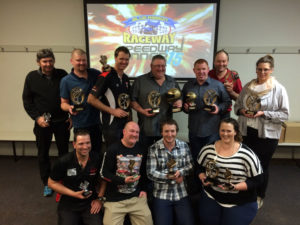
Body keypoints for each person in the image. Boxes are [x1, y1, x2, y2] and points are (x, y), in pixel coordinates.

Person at [234, 55, 289, 207]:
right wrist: (242, 111)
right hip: (246, 133)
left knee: (261, 166)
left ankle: (259, 195)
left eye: (266, 69)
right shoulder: (247, 87)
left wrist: (264, 113)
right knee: (246, 165)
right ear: (256, 70)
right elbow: (237, 106)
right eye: (259, 69)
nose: (262, 72)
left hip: (267, 136)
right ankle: (246, 193)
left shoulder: (278, 89)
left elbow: (285, 114)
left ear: (271, 70)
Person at [22, 49, 71, 197]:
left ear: (54, 61)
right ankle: (47, 183)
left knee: (64, 153)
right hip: (43, 123)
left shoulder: (62, 74)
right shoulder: (31, 77)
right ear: (38, 62)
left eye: (50, 60)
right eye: (44, 61)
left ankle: (63, 180)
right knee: (43, 154)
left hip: (62, 121)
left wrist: (71, 115)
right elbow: (27, 101)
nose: (48, 64)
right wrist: (37, 118)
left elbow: (71, 96)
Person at [197, 118, 263, 225]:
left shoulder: (247, 154)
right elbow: (199, 167)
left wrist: (235, 187)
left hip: (239, 200)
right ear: (218, 131)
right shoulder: (208, 149)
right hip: (212, 195)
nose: (225, 134)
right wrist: (202, 176)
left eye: (229, 131)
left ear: (235, 132)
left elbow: (258, 180)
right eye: (222, 130)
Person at [100, 121, 153, 225]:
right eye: (132, 131)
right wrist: (122, 180)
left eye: (137, 132)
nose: (134, 134)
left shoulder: (142, 149)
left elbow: (145, 171)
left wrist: (144, 189)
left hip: (136, 197)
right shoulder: (112, 149)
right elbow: (103, 173)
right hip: (115, 200)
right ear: (124, 132)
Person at [48, 130, 103, 225]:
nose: (85, 147)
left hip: (90, 202)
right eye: (81, 144)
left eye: (88, 143)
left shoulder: (97, 158)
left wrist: (100, 199)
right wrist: (74, 194)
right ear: (74, 144)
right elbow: (51, 183)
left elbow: (103, 180)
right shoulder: (63, 161)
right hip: (69, 202)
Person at [147, 119, 194, 225]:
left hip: (181, 193)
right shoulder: (153, 148)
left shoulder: (184, 146)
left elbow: (191, 166)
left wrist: (181, 172)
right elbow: (150, 172)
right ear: (161, 132)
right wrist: (169, 176)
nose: (170, 134)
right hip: (161, 194)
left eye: (172, 131)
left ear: (176, 132)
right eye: (166, 131)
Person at [182, 58, 231, 161]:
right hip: (194, 130)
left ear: (208, 69)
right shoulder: (188, 85)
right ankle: (197, 177)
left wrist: (219, 109)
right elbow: (183, 104)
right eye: (198, 69)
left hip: (212, 130)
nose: (201, 72)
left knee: (212, 159)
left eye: (203, 69)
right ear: (194, 70)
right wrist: (185, 108)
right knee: (196, 158)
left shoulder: (218, 85)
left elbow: (227, 102)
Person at [131, 54, 182, 149]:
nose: (160, 68)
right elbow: (132, 101)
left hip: (166, 131)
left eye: (163, 66)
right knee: (145, 156)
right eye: (157, 66)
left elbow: (179, 97)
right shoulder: (140, 81)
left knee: (164, 157)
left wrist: (179, 102)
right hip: (146, 128)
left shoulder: (171, 81)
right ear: (151, 66)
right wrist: (142, 111)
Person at [88, 46, 131, 147]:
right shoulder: (106, 75)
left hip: (124, 125)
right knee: (112, 155)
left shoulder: (125, 78)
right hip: (111, 125)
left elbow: (127, 101)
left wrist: (129, 120)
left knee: (122, 155)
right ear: (115, 58)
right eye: (121, 59)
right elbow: (91, 99)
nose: (124, 62)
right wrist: (113, 111)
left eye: (126, 59)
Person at [60, 49, 102, 153]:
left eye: (84, 60)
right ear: (72, 61)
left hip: (96, 123)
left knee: (96, 153)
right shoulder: (66, 81)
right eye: (78, 60)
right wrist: (69, 108)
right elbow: (63, 103)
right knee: (82, 154)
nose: (82, 63)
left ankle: (96, 170)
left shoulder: (95, 74)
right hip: (80, 125)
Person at [209, 49, 243, 118]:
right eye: (218, 61)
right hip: (209, 112)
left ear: (227, 62)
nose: (221, 64)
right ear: (214, 62)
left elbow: (241, 99)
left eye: (223, 61)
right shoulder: (208, 75)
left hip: (224, 114)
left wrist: (231, 92)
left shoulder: (233, 76)